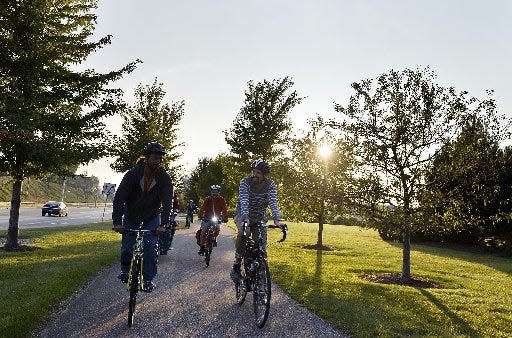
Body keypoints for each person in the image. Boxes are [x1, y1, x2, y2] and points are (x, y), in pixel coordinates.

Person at [112, 142, 173, 292]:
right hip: (132, 214)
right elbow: (119, 197)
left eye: (160, 158)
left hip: (152, 217)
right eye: (154, 158)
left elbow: (167, 203)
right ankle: (125, 271)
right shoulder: (133, 174)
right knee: (127, 246)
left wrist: (163, 224)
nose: (157, 161)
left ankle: (148, 280)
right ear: (146, 158)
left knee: (151, 247)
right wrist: (117, 221)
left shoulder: (164, 178)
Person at [230, 159, 285, 283]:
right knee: (244, 232)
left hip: (259, 216)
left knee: (261, 247)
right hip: (242, 213)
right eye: (253, 172)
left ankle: (260, 277)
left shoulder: (270, 185)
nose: (254, 175)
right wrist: (245, 218)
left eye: (258, 173)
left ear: (265, 175)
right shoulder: (245, 182)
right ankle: (237, 265)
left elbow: (273, 202)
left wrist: (276, 220)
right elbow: (244, 201)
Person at [197, 184, 228, 255]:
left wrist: (225, 218)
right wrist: (200, 215)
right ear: (211, 192)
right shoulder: (207, 199)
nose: (214, 193)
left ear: (218, 192)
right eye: (213, 191)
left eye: (216, 191)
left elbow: (225, 209)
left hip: (217, 218)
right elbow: (203, 208)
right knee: (203, 231)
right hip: (207, 218)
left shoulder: (221, 199)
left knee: (217, 229)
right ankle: (202, 247)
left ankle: (214, 238)